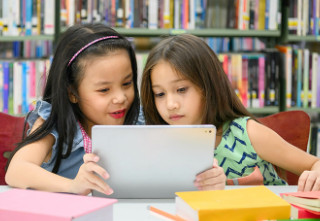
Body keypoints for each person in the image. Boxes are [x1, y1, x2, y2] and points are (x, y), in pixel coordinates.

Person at [140, 34, 320, 192]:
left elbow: (315, 164)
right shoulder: (162, 143)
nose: (170, 104)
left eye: (181, 89)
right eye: (160, 94)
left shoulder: (247, 134)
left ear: (207, 86)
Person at [5, 23, 142, 196]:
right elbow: (16, 171)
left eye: (127, 83)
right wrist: (73, 186)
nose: (121, 98)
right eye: (104, 90)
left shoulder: (140, 118)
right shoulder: (54, 122)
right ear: (72, 93)